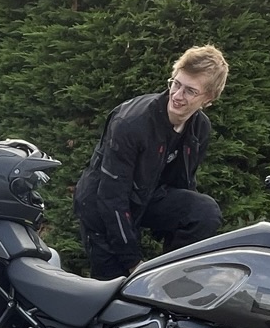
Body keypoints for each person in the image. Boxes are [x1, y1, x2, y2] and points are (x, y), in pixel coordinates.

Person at [72, 46, 229, 278]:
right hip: (101, 207)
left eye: (190, 91)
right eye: (176, 84)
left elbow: (184, 186)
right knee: (116, 290)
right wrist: (134, 263)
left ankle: (174, 278)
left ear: (208, 98)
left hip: (146, 196)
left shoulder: (199, 128)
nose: (177, 95)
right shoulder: (131, 123)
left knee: (203, 211)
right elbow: (111, 197)